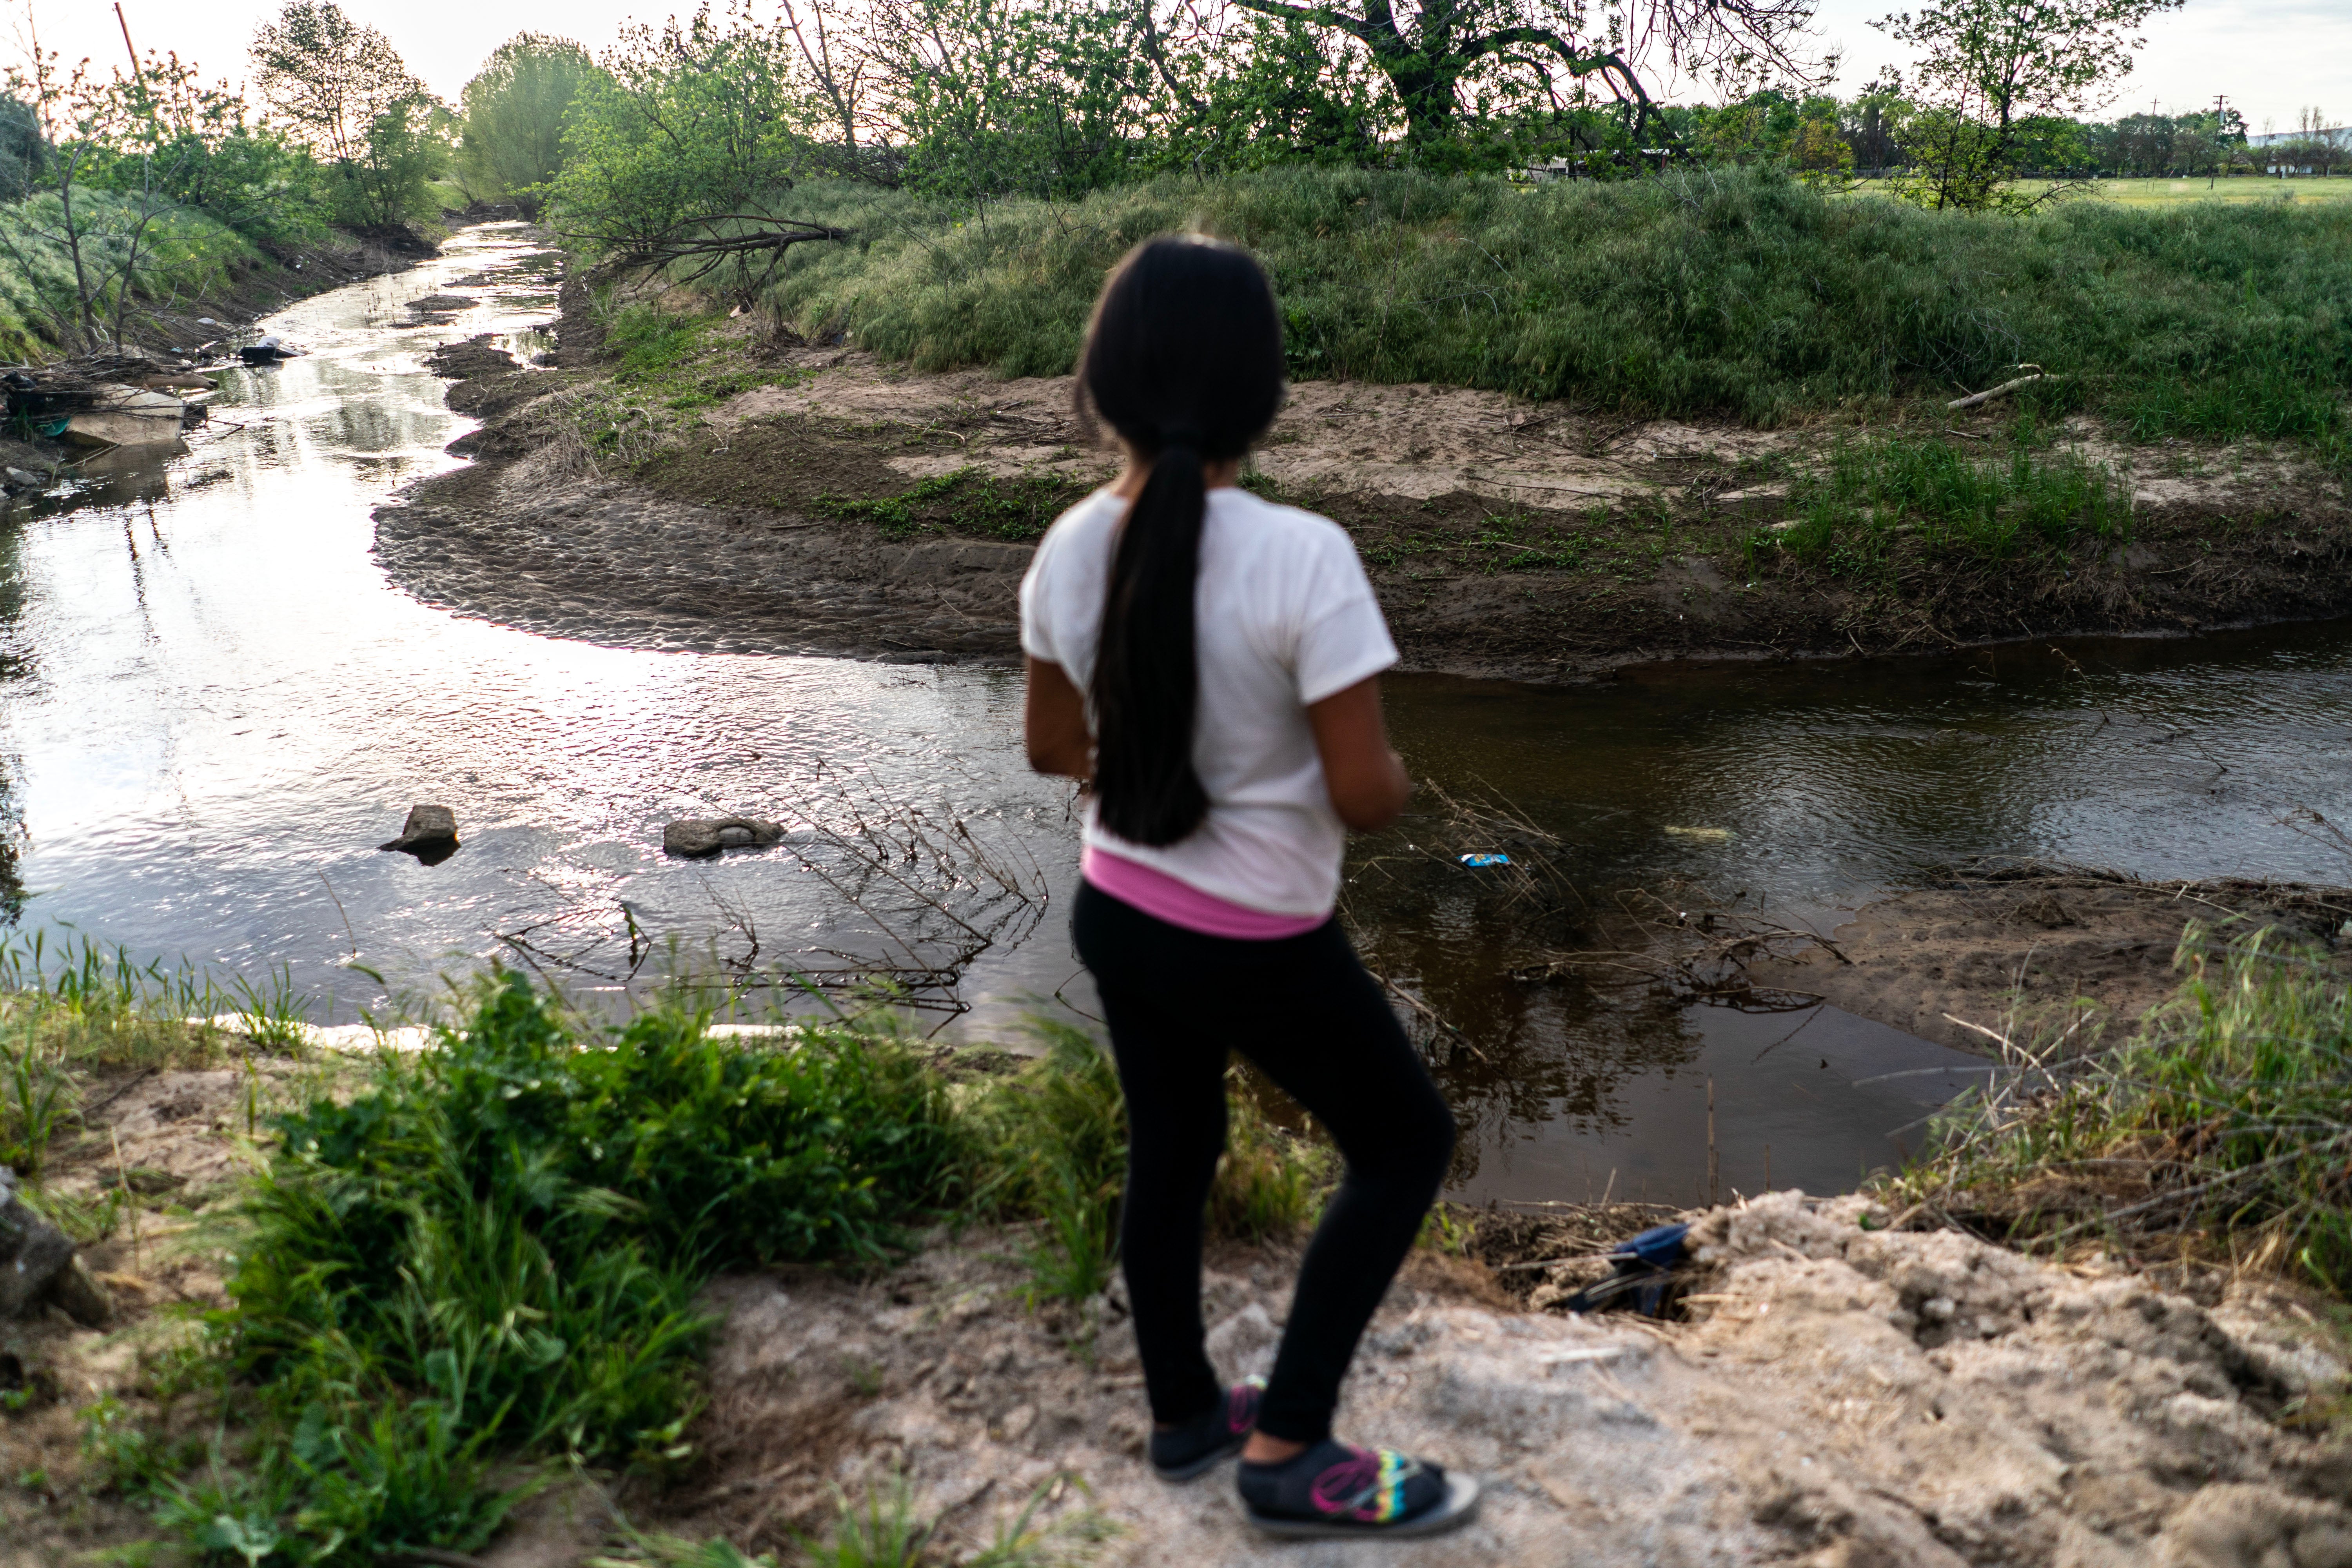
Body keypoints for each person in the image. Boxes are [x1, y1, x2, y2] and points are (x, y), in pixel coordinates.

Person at [1018, 234, 1477, 1541]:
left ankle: (1184, 1419)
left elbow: (1054, 751)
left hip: (1120, 911)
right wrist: (1380, 764)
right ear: (1262, 398)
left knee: (1174, 1151)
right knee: (1402, 1144)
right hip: (1260, 940)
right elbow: (1367, 793)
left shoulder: (1065, 547)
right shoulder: (1307, 556)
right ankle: (1287, 1451)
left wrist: (1163, 760)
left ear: (1102, 388)